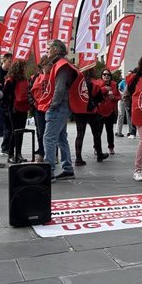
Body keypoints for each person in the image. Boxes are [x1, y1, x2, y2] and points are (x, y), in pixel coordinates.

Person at [39, 40, 78, 181]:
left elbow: (59, 89)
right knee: (61, 138)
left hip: (59, 107)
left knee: (48, 138)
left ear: (56, 49)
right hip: (63, 106)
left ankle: (49, 172)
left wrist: (52, 105)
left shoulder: (61, 66)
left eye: (48, 48)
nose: (46, 50)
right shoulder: (62, 64)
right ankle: (67, 169)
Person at [74, 69, 108, 165]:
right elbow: (100, 99)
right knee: (96, 134)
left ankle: (78, 158)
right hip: (92, 112)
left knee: (80, 135)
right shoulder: (95, 84)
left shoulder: (77, 83)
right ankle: (99, 154)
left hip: (79, 111)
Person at [2, 60, 30, 163]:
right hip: (14, 108)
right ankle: (11, 154)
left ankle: (18, 153)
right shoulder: (11, 80)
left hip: (20, 107)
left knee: (20, 131)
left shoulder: (20, 79)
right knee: (14, 132)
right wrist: (6, 108)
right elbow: (5, 95)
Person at [28, 57, 50, 162]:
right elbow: (29, 91)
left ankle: (53, 154)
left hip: (51, 108)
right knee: (41, 131)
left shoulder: (54, 76)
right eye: (45, 64)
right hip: (38, 108)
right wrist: (33, 103)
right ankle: (42, 153)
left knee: (52, 132)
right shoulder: (35, 77)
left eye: (49, 64)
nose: (47, 66)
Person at [97, 69, 120, 155]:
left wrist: (114, 98)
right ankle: (97, 148)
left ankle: (111, 147)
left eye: (108, 75)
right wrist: (104, 89)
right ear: (101, 76)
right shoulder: (98, 83)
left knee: (110, 131)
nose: (106, 76)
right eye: (104, 74)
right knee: (98, 131)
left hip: (110, 111)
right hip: (99, 111)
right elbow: (95, 94)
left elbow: (119, 96)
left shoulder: (114, 84)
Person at [0, 52, 13, 155]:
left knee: (8, 127)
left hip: (8, 103)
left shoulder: (12, 73)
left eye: (12, 62)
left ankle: (5, 148)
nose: (11, 64)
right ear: (4, 60)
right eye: (9, 61)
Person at [115, 71, 131, 137]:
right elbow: (118, 89)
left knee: (129, 116)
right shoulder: (123, 82)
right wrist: (122, 94)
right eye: (128, 74)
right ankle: (118, 131)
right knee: (121, 115)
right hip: (121, 100)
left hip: (128, 101)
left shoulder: (132, 83)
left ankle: (130, 131)